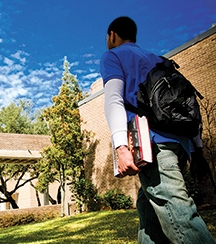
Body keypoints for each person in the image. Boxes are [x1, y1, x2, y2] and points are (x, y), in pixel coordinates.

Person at [100, 16, 216, 243]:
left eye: (107, 37)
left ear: (112, 35)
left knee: (180, 216)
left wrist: (121, 146)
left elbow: (113, 99)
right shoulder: (159, 60)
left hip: (153, 146)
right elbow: (186, 103)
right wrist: (197, 149)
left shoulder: (113, 56)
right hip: (180, 144)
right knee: (149, 215)